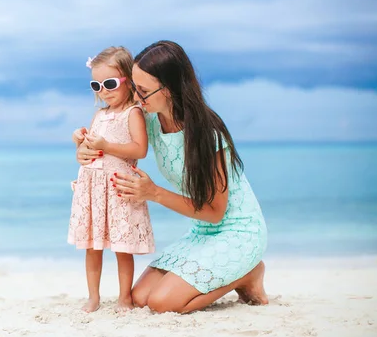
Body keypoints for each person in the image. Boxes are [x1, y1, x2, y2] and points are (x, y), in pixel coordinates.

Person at [73, 40, 268, 314]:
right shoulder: (150, 120)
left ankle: (248, 274)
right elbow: (115, 141)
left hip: (236, 232)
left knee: (163, 303)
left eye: (142, 90)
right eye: (134, 87)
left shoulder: (207, 134)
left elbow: (215, 213)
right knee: (140, 297)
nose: (136, 97)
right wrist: (83, 150)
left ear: (169, 88)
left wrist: (153, 193)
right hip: (201, 233)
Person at [68, 46, 155, 313]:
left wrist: (106, 145)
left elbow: (139, 149)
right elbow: (91, 153)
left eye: (109, 83)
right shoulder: (100, 115)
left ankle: (124, 298)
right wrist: (81, 144)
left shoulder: (133, 113)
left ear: (129, 80)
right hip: (93, 188)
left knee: (121, 247)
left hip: (118, 187)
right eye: (96, 84)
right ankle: (93, 297)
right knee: (92, 247)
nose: (103, 90)